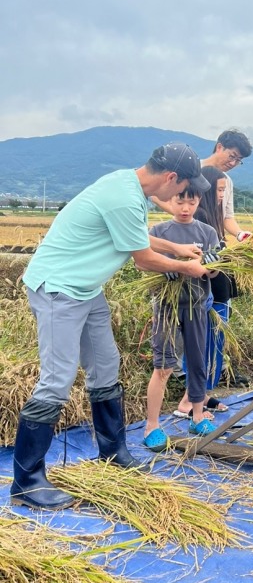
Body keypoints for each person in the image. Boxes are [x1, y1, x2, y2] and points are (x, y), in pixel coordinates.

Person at [11, 143, 211, 509]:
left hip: (86, 290)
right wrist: (187, 267)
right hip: (58, 288)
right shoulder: (123, 196)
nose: (180, 196)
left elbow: (133, 236)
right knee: (57, 379)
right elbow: (143, 260)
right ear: (170, 178)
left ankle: (113, 452)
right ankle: (26, 482)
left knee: (106, 367)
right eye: (181, 188)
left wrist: (176, 248)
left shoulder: (129, 190)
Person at [143, 185, 221, 451]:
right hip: (166, 306)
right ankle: (152, 425)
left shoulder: (207, 233)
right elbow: (142, 263)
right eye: (180, 201)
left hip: (197, 305)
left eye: (192, 202)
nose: (186, 208)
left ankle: (197, 416)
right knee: (163, 365)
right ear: (169, 200)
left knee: (198, 361)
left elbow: (214, 273)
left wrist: (210, 266)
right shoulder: (158, 232)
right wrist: (165, 268)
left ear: (199, 201)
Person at [173, 166, 232, 420]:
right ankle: (189, 400)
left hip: (215, 292)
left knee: (208, 347)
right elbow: (204, 263)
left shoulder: (212, 219)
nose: (221, 195)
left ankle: (202, 396)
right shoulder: (203, 220)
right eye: (218, 190)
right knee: (204, 349)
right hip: (205, 296)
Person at [201, 129, 253, 242]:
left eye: (238, 160)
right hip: (188, 240)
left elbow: (227, 217)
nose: (233, 163)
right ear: (219, 147)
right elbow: (157, 197)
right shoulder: (191, 170)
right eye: (232, 156)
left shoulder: (227, 182)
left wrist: (240, 234)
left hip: (214, 242)